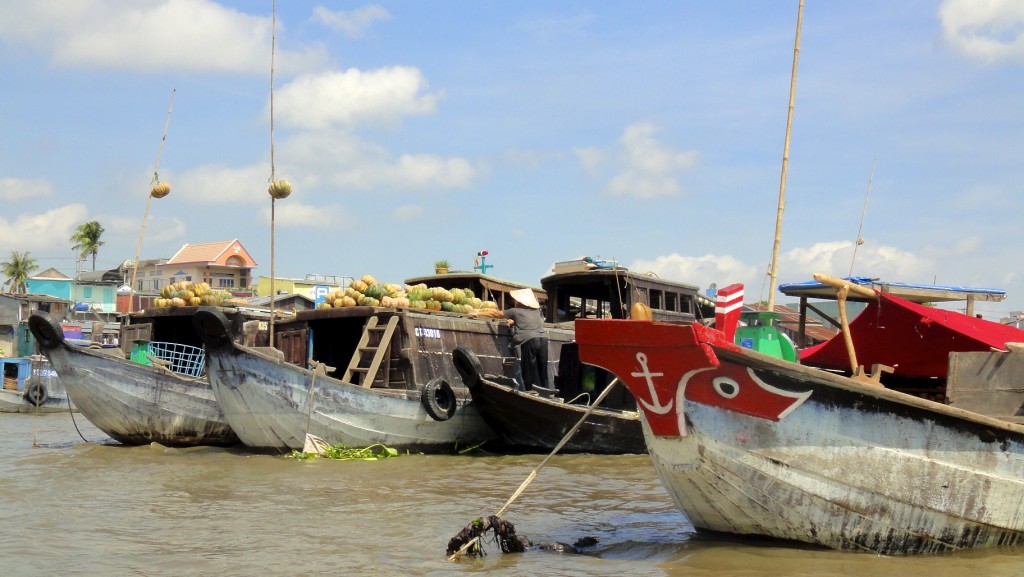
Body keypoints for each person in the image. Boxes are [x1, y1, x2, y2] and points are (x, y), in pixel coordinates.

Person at [470, 288, 550, 391]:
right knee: (542, 370)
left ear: (520, 301)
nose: (515, 301)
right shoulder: (536, 312)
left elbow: (496, 314)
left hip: (530, 341)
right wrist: (513, 323)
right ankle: (546, 392)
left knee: (528, 370)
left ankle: (531, 393)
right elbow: (527, 322)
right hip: (543, 341)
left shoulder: (515, 311)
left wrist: (477, 313)